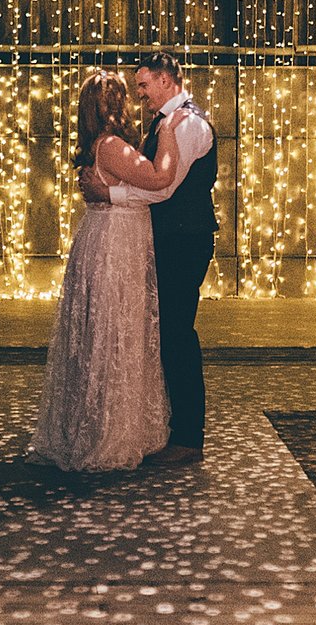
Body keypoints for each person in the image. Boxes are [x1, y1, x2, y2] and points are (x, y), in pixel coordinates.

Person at [27, 69, 183, 472]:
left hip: (104, 239)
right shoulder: (112, 146)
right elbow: (159, 176)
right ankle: (109, 433)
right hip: (116, 247)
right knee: (117, 334)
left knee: (102, 336)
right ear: (114, 105)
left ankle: (92, 425)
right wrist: (168, 130)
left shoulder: (99, 145)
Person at [77, 53, 216, 467]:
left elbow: (163, 188)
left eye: (144, 86)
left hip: (184, 241)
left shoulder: (188, 124)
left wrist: (109, 195)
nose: (140, 95)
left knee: (176, 334)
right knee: (164, 335)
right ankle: (169, 428)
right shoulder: (163, 123)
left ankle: (189, 436)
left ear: (166, 80)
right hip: (168, 239)